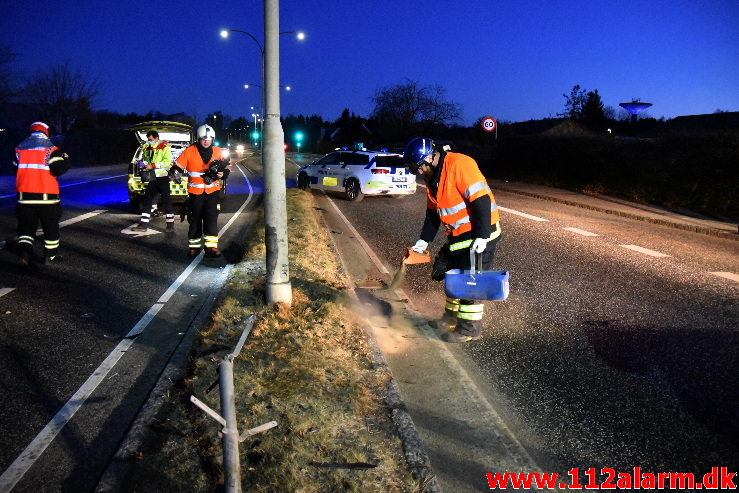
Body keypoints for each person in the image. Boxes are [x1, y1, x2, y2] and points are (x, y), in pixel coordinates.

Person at [403, 137, 502, 343]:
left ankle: (468, 329)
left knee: (469, 282)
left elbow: (481, 200)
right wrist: (423, 241)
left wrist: (482, 236)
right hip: (458, 236)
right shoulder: (432, 177)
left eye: (419, 167)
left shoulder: (460, 164)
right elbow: (433, 214)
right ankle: (450, 317)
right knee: (451, 275)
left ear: (430, 157)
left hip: (481, 233)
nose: (419, 173)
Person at [13, 122, 70, 270]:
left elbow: (15, 170)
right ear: (47, 133)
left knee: (26, 228)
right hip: (47, 199)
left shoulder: (19, 149)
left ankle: (25, 252)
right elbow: (58, 169)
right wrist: (66, 160)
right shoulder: (51, 149)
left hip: (24, 197)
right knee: (50, 227)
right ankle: (49, 256)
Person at [171, 124, 230, 258]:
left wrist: (224, 173)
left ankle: (211, 248)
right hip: (195, 192)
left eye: (209, 139)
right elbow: (178, 165)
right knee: (195, 220)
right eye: (203, 138)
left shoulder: (218, 151)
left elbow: (228, 166)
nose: (206, 141)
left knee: (211, 220)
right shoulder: (190, 151)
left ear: (212, 139)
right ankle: (194, 248)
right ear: (198, 139)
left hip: (212, 192)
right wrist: (175, 172)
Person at [131, 130, 174, 234]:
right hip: (152, 178)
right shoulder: (147, 148)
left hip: (163, 178)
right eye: (148, 139)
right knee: (147, 201)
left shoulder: (164, 147)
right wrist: (142, 164)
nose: (149, 141)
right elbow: (147, 161)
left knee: (166, 202)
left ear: (156, 138)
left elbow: (167, 161)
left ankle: (170, 226)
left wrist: (153, 165)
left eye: (151, 139)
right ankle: (143, 225)